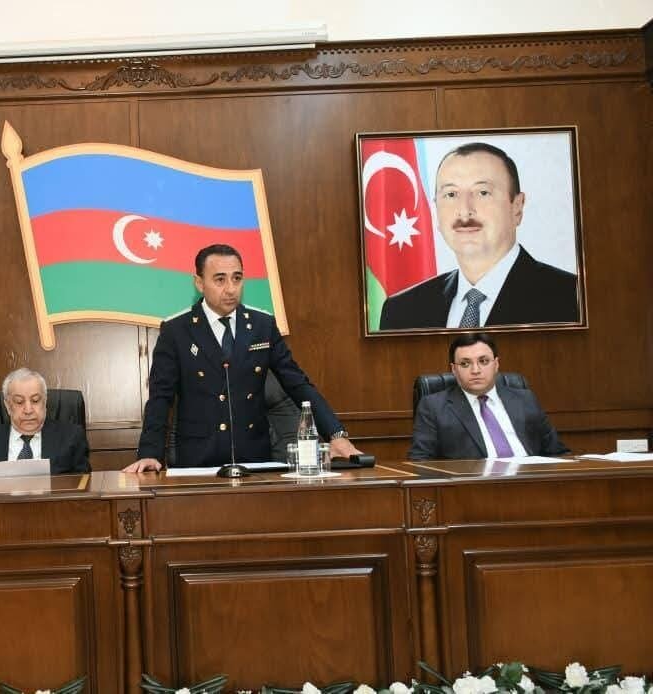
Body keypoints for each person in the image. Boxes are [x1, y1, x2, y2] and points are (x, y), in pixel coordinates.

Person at [124, 244, 361, 473]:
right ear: (199, 283)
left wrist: (336, 434)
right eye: (220, 279)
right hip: (198, 463)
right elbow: (160, 397)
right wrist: (150, 452)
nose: (231, 288)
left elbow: (297, 383)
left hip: (255, 462)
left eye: (237, 278)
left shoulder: (262, 325)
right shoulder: (176, 330)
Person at [379, 142, 579, 330]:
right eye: (451, 194)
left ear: (517, 207)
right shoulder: (401, 311)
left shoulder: (573, 298)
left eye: (483, 192)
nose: (465, 212)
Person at [409, 332, 569, 460]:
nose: (475, 370)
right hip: (474, 486)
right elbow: (420, 461)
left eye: (484, 361)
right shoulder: (434, 407)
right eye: (465, 363)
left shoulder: (525, 399)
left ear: (496, 364)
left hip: (531, 480)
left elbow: (557, 452)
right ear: (454, 369)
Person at [0, 368, 91, 478]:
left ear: (45, 402)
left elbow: (82, 489)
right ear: (7, 406)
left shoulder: (71, 438)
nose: (28, 410)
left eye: (35, 401)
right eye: (19, 402)